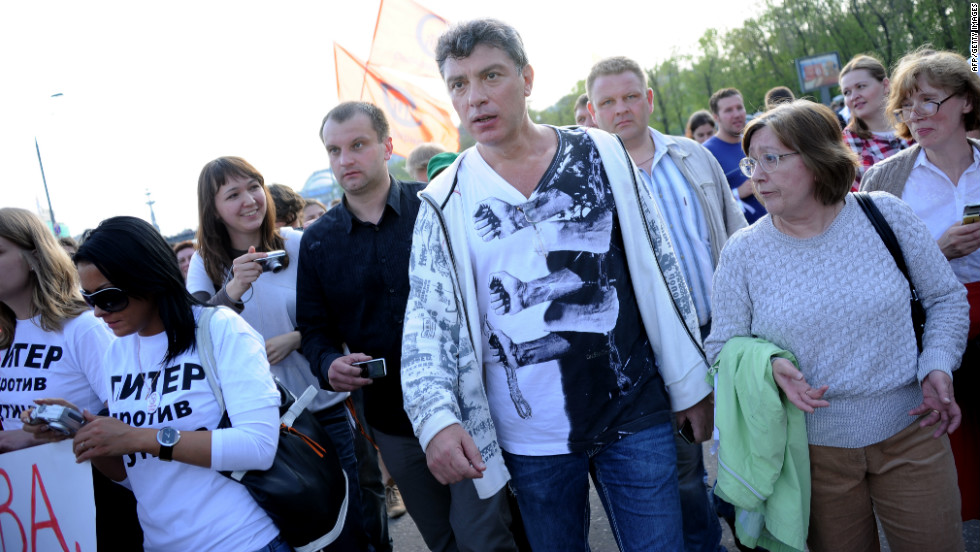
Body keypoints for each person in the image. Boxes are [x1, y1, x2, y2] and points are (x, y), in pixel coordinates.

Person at [402, 19, 712, 551]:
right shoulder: (444, 199)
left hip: (634, 408)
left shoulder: (602, 154)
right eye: (459, 84)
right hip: (530, 438)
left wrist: (689, 381)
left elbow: (662, 267)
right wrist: (435, 418)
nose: (475, 97)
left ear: (526, 78)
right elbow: (426, 323)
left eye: (491, 76)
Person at [706, 100, 969, 551]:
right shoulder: (743, 253)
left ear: (817, 158)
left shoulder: (884, 214)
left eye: (772, 158)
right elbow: (721, 347)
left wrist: (938, 364)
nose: (757, 175)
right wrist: (766, 365)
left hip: (913, 431)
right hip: (811, 456)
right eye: (753, 162)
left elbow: (945, 298)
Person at [298, 101, 517, 551]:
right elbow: (314, 330)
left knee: (485, 537)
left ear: (387, 146)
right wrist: (328, 365)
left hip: (466, 407)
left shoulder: (434, 210)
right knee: (441, 539)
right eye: (334, 150)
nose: (345, 160)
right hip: (391, 421)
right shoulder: (318, 242)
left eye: (357, 145)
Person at [30, 215, 290, 552]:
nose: (98, 312)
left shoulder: (220, 328)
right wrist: (85, 433)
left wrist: (140, 437)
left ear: (149, 279)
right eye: (89, 299)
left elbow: (257, 447)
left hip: (242, 539)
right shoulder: (117, 353)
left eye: (108, 298)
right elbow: (135, 476)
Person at [587, 55, 746, 552]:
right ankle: (707, 546)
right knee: (682, 471)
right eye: (607, 101)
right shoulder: (592, 181)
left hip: (726, 330)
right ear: (591, 113)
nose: (622, 108)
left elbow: (735, 230)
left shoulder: (693, 156)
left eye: (631, 95)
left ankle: (757, 531)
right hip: (656, 353)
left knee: (751, 446)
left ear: (649, 99)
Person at [185, 156, 362, 550]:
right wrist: (230, 291)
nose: (250, 200)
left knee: (348, 527)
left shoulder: (300, 244)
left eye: (254, 186)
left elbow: (343, 315)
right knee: (293, 534)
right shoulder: (205, 262)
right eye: (233, 194)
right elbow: (194, 334)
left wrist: (297, 338)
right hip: (264, 428)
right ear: (212, 210)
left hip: (324, 408)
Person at [861, 48, 980, 522]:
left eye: (930, 101)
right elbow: (870, 268)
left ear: (966, 101)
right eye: (907, 106)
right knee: (952, 450)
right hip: (932, 328)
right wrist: (939, 251)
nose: (917, 115)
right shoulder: (884, 179)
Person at [0, 207, 143, 550]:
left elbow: (130, 417)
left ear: (34, 256)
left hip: (94, 500)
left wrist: (32, 437)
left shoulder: (84, 327)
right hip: (25, 505)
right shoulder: (3, 335)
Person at [840, 54, 913, 189]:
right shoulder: (846, 146)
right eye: (847, 92)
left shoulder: (915, 123)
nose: (854, 96)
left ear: (885, 85)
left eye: (861, 86)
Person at [703, 88, 767, 223]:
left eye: (739, 107)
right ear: (716, 117)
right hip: (743, 235)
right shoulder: (706, 153)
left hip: (777, 224)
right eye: (728, 110)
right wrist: (737, 193)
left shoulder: (755, 141)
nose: (736, 114)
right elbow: (706, 203)